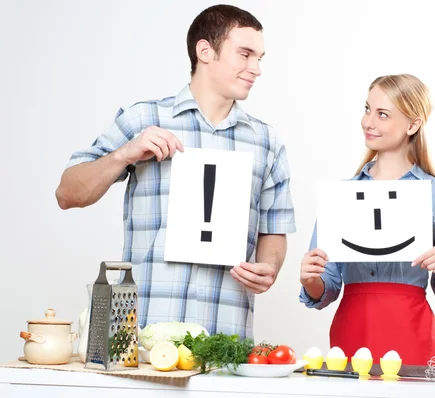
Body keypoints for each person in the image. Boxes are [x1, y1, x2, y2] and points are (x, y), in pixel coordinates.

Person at [55, 4, 296, 339]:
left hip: (225, 340)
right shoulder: (144, 119)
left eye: (259, 57)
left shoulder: (267, 142)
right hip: (143, 337)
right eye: (245, 54)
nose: (256, 68)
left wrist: (268, 268)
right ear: (205, 51)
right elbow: (68, 193)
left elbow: (274, 230)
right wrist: (124, 154)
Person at [299, 74, 435, 365]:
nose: (369, 122)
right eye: (367, 109)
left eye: (383, 114)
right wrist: (310, 277)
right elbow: (325, 290)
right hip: (353, 329)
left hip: (412, 330)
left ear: (413, 124)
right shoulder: (343, 195)